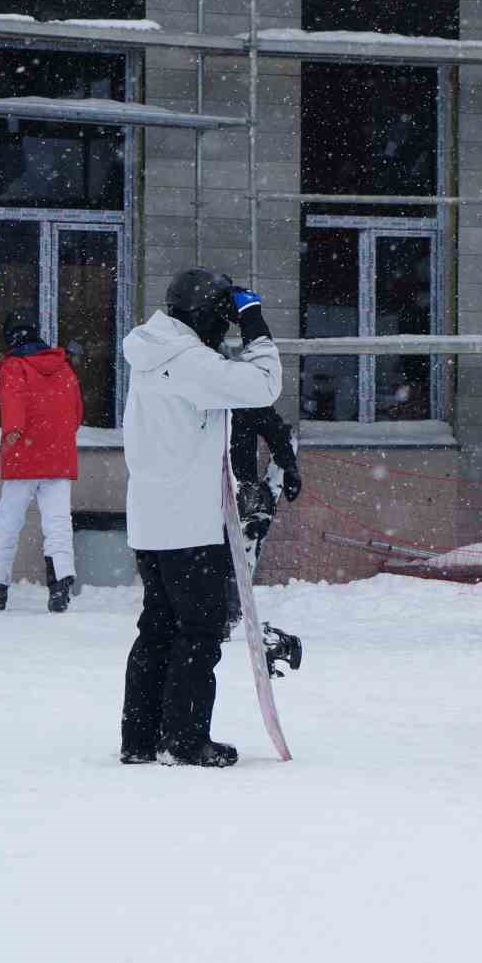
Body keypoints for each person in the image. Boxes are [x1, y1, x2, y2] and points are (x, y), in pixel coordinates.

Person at [119, 269, 281, 767]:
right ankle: (185, 740)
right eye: (222, 320)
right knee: (200, 631)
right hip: (189, 523)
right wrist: (254, 320)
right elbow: (265, 385)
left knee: (158, 628)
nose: (224, 331)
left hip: (151, 519)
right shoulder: (188, 362)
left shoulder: (152, 351)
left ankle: (141, 738)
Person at [0, 310, 84, 613]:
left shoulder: (13, 366)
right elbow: (76, 413)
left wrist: (13, 432)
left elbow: (14, 402)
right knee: (58, 524)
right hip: (58, 458)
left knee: (8, 521)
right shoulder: (63, 366)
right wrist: (57, 439)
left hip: (24, 455)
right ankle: (60, 583)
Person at [225, 404, 303, 630]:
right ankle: (221, 613)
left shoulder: (241, 397)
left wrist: (289, 468)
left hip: (239, 491)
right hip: (207, 491)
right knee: (220, 555)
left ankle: (228, 613)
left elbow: (273, 428)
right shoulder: (204, 394)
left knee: (234, 552)